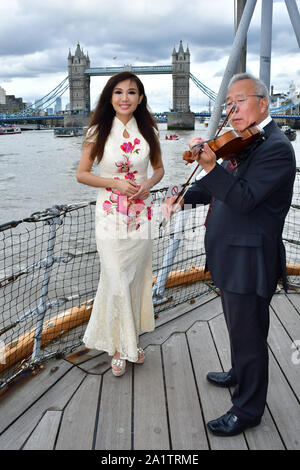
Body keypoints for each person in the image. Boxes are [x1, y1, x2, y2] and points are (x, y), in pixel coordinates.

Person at [163, 73, 296, 436]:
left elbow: (243, 198)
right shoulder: (244, 143)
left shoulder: (277, 148)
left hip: (249, 260)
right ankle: (239, 373)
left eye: (239, 101)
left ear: (263, 103)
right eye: (228, 104)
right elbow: (220, 188)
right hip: (231, 255)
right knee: (240, 328)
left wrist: (208, 166)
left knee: (249, 335)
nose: (231, 109)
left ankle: (248, 409)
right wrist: (184, 197)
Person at [77, 72, 164, 376]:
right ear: (109, 97)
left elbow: (158, 169)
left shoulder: (149, 130)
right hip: (110, 215)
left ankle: (129, 340)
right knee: (115, 277)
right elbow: (83, 174)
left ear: (140, 98)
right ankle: (120, 347)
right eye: (118, 92)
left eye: (131, 92)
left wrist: (149, 185)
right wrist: (114, 182)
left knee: (135, 279)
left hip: (141, 215)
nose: (125, 98)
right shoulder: (97, 131)